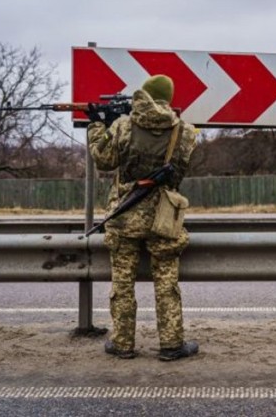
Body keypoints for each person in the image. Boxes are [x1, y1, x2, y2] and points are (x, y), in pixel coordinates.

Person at [87, 74, 199, 361]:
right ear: (168, 99)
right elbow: (179, 171)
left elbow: (103, 160)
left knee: (123, 282)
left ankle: (123, 343)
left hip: (125, 215)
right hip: (163, 217)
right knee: (166, 283)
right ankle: (172, 345)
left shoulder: (123, 126)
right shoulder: (185, 132)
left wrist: (98, 125)